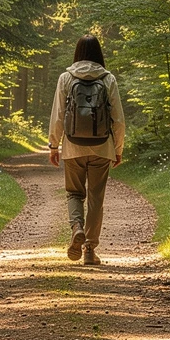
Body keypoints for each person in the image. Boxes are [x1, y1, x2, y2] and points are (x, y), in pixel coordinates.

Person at [48, 34, 125, 266]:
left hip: (73, 147)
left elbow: (58, 114)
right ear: (99, 53)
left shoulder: (66, 78)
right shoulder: (108, 78)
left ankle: (77, 228)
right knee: (95, 198)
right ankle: (90, 250)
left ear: (77, 53)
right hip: (102, 147)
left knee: (74, 193)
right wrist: (118, 148)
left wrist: (54, 145)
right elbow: (118, 119)